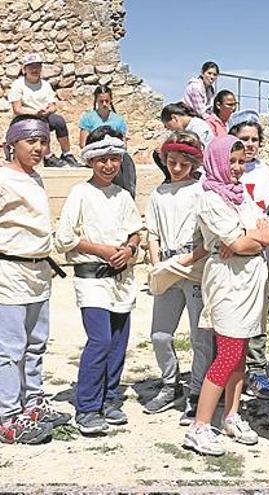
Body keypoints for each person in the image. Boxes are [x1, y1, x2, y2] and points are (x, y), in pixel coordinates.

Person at [183, 136, 269, 456]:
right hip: (229, 280)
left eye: (241, 162)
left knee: (241, 351)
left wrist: (251, 237)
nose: (237, 168)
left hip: (250, 279)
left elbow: (268, 233)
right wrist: (251, 236)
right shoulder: (210, 197)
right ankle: (200, 426)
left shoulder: (240, 195)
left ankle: (231, 414)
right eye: (231, 162)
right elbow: (239, 244)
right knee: (227, 353)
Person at [54, 133, 142, 434]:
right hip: (92, 279)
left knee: (118, 342)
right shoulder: (81, 193)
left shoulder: (122, 195)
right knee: (101, 340)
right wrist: (103, 250)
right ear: (91, 160)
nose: (108, 165)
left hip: (121, 280)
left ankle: (109, 398)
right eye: (102, 159)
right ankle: (88, 406)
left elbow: (135, 231)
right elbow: (65, 237)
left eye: (114, 158)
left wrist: (129, 249)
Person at [0, 116, 71, 445]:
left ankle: (33, 403)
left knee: (36, 344)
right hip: (9, 273)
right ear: (13, 144)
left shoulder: (36, 178)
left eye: (44, 141)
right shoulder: (3, 179)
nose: (40, 148)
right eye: (32, 141)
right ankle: (8, 416)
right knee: (9, 349)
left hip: (38, 273)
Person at [141, 131, 215, 426]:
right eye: (172, 162)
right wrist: (159, 264)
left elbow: (208, 238)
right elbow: (153, 233)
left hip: (194, 265)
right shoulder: (158, 194)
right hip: (168, 266)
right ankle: (169, 383)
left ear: (194, 162)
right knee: (160, 334)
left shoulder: (202, 191)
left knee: (200, 337)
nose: (176, 168)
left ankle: (197, 391)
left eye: (183, 163)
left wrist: (187, 259)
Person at [227, 110, 269, 400]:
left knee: (258, 314)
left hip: (261, 251)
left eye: (254, 139)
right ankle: (227, 370)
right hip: (231, 251)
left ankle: (257, 370)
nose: (249, 144)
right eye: (243, 138)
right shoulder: (221, 168)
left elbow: (267, 209)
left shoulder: (263, 171)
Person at [8, 53, 78, 168]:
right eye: (31, 67)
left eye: (37, 66)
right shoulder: (18, 84)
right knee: (41, 124)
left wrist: (48, 110)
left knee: (58, 121)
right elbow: (17, 109)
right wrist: (35, 113)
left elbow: (53, 106)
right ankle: (48, 156)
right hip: (25, 117)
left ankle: (66, 154)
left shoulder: (45, 85)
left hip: (42, 114)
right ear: (24, 69)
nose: (34, 70)